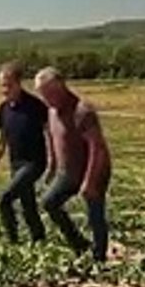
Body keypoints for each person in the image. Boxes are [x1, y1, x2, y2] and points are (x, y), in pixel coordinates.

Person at [33, 66, 112, 263]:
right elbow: (51, 137)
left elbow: (97, 147)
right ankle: (79, 244)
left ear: (61, 86)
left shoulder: (82, 111)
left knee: (95, 213)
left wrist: (90, 181)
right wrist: (52, 166)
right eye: (43, 95)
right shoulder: (51, 111)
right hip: (67, 171)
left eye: (49, 93)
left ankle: (99, 257)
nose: (47, 99)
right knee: (49, 203)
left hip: (93, 167)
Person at [0, 62, 52, 244]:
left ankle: (12, 242)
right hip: (16, 163)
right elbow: (0, 142)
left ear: (18, 83)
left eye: (8, 85)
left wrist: (55, 161)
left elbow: (52, 134)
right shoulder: (2, 110)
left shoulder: (36, 106)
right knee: (27, 204)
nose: (4, 90)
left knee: (5, 199)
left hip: (35, 163)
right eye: (2, 85)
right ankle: (39, 239)